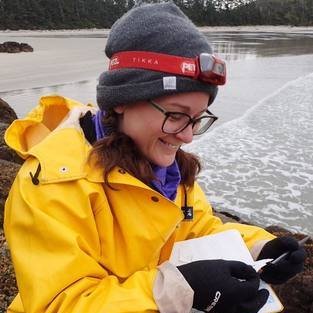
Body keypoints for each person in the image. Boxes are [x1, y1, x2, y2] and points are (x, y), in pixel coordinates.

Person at [4, 3, 306, 313]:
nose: (188, 136)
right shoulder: (50, 186)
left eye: (198, 119)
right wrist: (175, 290)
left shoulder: (169, 171)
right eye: (176, 115)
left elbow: (198, 229)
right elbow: (59, 303)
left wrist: (258, 247)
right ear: (122, 101)